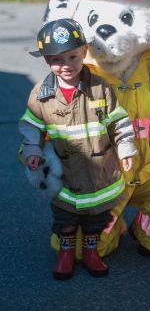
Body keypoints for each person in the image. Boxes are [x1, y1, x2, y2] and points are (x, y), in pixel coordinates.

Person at [19, 18, 137, 280]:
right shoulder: (41, 94)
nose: (66, 65)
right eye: (57, 60)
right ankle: (66, 253)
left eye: (72, 57)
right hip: (65, 176)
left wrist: (126, 147)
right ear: (47, 61)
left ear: (84, 51)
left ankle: (92, 251)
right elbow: (31, 127)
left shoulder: (101, 88)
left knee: (96, 218)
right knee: (65, 219)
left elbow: (118, 121)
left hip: (99, 174)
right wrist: (33, 152)